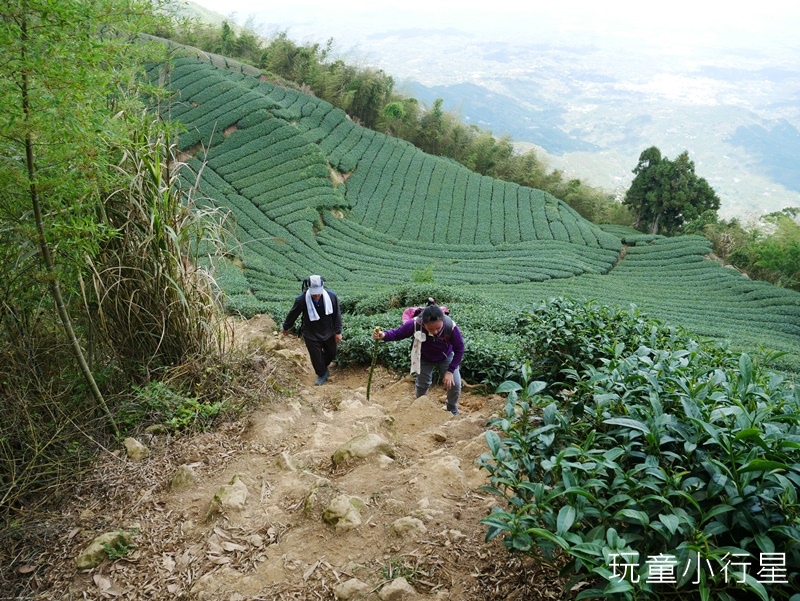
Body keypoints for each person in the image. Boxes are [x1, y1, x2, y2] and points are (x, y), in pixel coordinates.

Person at [373, 304, 464, 415]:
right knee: (423, 384)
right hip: (424, 357)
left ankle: (452, 408)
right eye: (431, 329)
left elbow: (459, 349)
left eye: (438, 328)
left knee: (455, 384)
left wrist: (450, 371)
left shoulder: (451, 326)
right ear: (423, 323)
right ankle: (420, 406)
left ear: (443, 321)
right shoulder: (415, 324)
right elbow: (398, 334)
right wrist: (384, 335)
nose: (435, 332)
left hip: (446, 356)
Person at [283, 275, 342, 386]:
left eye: (318, 292)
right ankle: (322, 373)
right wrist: (286, 327)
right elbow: (293, 314)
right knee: (316, 356)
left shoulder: (331, 296)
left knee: (332, 353)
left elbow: (336, 315)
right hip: (311, 332)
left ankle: (322, 366)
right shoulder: (301, 299)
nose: (316, 295)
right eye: (314, 293)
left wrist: (338, 332)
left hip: (328, 330)